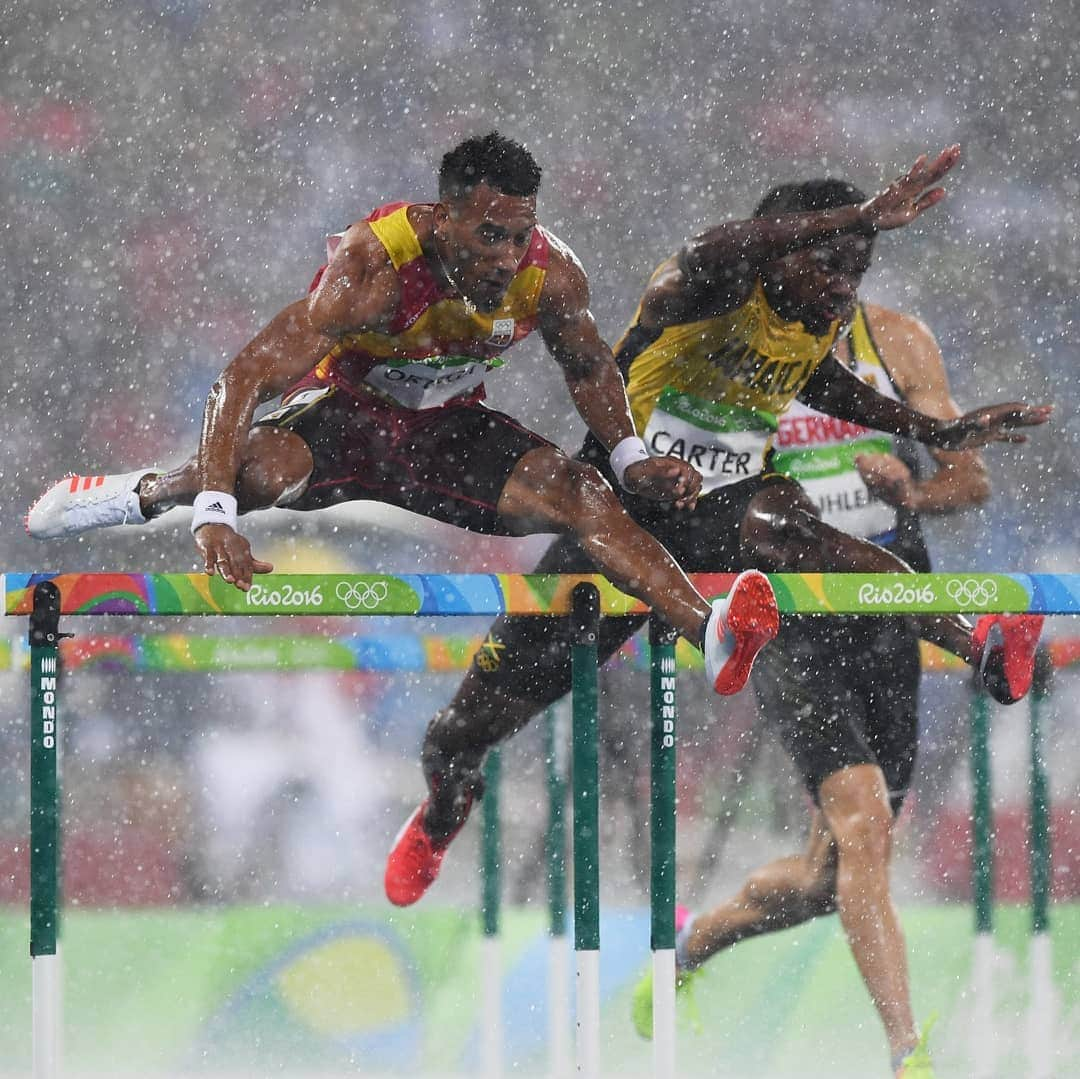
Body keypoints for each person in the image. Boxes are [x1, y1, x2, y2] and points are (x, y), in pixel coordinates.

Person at [382, 152, 1049, 930]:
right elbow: (719, 241)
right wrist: (860, 213)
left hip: (730, 510)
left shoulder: (818, 311)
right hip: (621, 524)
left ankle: (983, 650)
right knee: (461, 732)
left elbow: (818, 381)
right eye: (831, 263)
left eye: (858, 269)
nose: (845, 285)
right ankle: (443, 807)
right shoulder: (705, 281)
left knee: (796, 530)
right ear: (783, 248)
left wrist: (937, 430)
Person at [26, 131, 781, 702]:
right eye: (489, 236)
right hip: (347, 420)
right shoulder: (372, 269)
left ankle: (709, 630)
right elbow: (246, 374)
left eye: (519, 237)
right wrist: (215, 511)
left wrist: (629, 457)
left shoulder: (551, 276)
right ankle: (143, 493)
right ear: (444, 219)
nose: (506, 258)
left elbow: (587, 365)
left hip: (446, 435)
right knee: (262, 470)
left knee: (586, 493)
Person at [630, 293, 993, 1078]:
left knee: (831, 875)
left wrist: (913, 492)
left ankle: (694, 941)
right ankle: (907, 1053)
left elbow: (971, 480)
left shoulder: (897, 339)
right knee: (864, 826)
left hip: (890, 608)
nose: (828, 284)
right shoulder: (729, 350)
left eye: (844, 268)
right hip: (789, 615)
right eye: (812, 268)